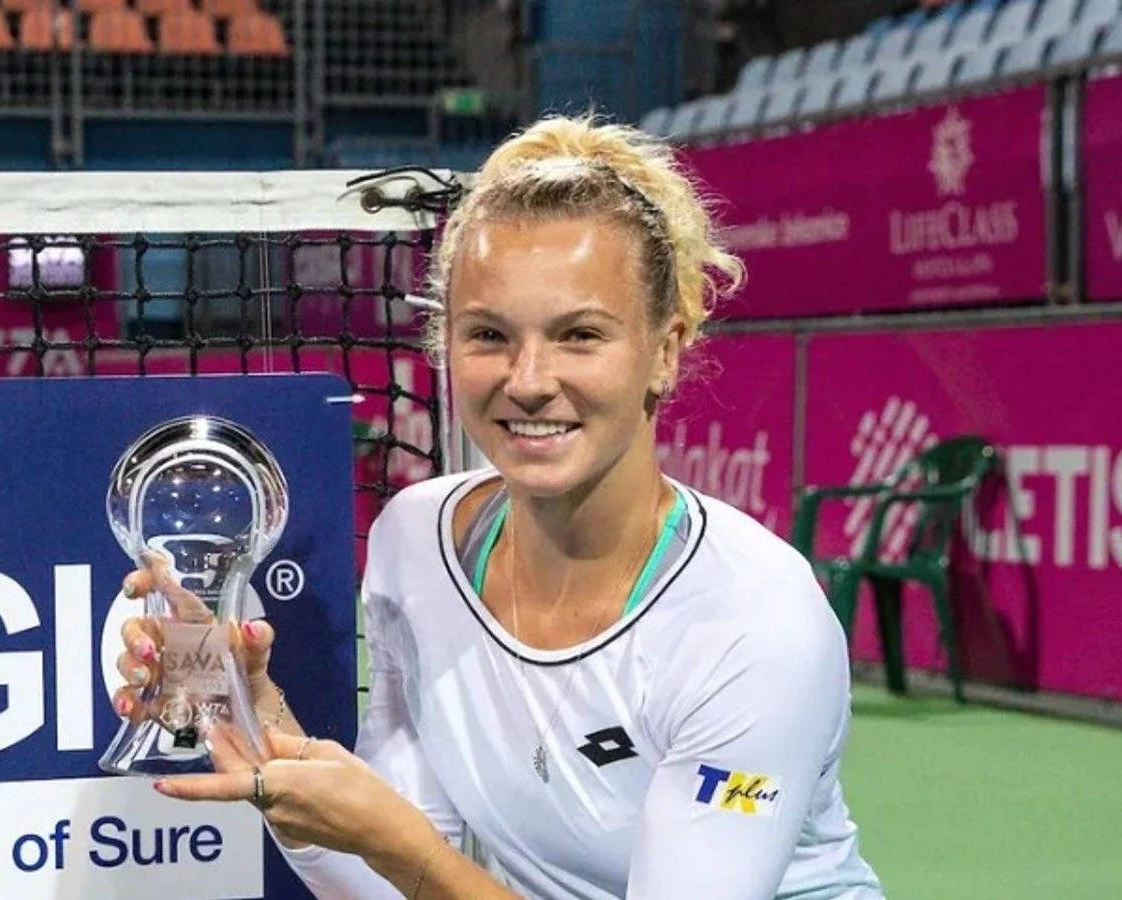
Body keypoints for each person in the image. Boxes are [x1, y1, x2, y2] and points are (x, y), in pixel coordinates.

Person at [113, 113, 884, 899]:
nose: (527, 380)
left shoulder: (754, 623)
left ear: (666, 350)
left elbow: (412, 859)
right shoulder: (416, 542)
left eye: (580, 335)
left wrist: (401, 849)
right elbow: (393, 880)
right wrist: (253, 713)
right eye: (487, 335)